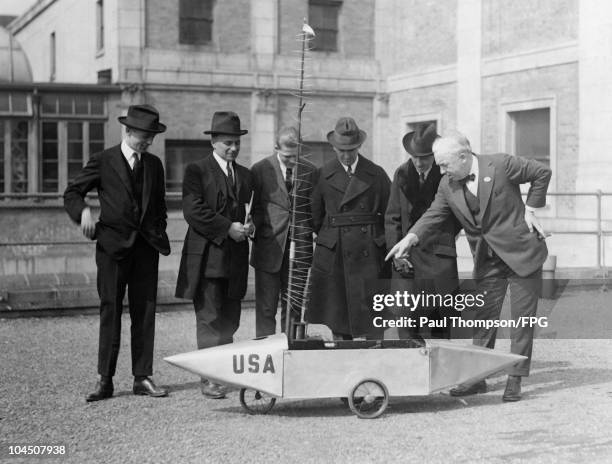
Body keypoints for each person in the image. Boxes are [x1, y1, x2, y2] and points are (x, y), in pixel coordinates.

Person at [386, 130, 551, 401]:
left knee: (522, 321)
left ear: (463, 157)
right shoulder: (446, 184)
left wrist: (530, 209)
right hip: (488, 259)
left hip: (522, 254)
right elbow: (433, 215)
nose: (440, 169)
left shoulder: (500, 165)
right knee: (483, 319)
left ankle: (515, 377)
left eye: (444, 164)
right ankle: (478, 377)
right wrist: (411, 237)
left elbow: (541, 172)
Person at [64, 104, 171, 402]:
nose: (148, 142)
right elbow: (72, 193)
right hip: (112, 249)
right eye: (144, 136)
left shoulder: (154, 165)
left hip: (146, 250)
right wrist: (83, 212)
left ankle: (142, 377)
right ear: (128, 131)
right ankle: (105, 380)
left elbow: (160, 205)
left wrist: (158, 229)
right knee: (110, 311)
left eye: (152, 136)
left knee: (145, 312)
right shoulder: (103, 160)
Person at [175, 111, 253, 399]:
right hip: (208, 257)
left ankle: (224, 371)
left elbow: (249, 210)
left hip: (235, 259)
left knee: (230, 317)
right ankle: (209, 377)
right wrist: (227, 227)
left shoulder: (245, 175)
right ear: (214, 142)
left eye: (236, 143)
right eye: (227, 143)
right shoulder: (196, 171)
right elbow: (193, 211)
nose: (233, 148)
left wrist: (249, 225)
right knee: (209, 317)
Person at [305, 117, 391, 340]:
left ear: (359, 146)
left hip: (370, 252)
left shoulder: (376, 173)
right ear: (333, 147)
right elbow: (315, 217)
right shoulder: (321, 175)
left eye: (351, 149)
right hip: (336, 254)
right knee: (339, 316)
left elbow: (390, 213)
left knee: (374, 317)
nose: (346, 155)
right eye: (341, 150)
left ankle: (373, 365)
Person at [384, 123, 460, 340]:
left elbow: (458, 216)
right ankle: (411, 369)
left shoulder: (446, 175)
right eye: (414, 156)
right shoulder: (402, 173)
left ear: (434, 155)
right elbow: (392, 217)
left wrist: (444, 238)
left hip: (439, 256)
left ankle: (440, 371)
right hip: (407, 259)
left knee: (440, 321)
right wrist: (396, 252)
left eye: (425, 157)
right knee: (406, 319)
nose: (419, 162)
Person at [250, 126, 317, 337]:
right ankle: (266, 351)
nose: (291, 161)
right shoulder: (260, 169)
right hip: (268, 248)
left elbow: (314, 207)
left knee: (294, 307)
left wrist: (311, 230)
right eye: (286, 156)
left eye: (295, 156)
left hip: (300, 249)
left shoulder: (311, 171)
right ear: (276, 148)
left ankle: (291, 350)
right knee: (266, 307)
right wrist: (256, 226)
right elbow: (253, 208)